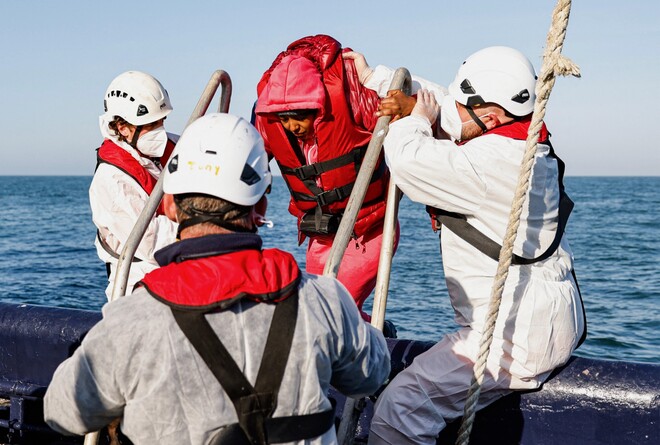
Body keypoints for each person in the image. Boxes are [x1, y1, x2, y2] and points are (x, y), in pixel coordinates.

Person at [44, 113, 391, 445]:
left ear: (169, 205)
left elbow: (62, 412)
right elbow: (370, 375)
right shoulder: (325, 300)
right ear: (260, 208)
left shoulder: (130, 321)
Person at [345, 47, 587, 444]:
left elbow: (408, 162)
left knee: (400, 408)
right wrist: (375, 77)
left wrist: (414, 120)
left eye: (463, 106)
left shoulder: (487, 164)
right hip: (546, 318)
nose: (452, 111)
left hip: (513, 335)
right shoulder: (526, 140)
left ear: (490, 116)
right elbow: (450, 105)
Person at [254, 35, 399, 330]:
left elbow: (403, 116)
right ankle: (378, 334)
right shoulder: (276, 126)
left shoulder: (354, 102)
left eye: (299, 117)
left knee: (336, 305)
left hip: (368, 230)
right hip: (322, 232)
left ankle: (376, 342)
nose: (292, 126)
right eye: (284, 119)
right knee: (316, 307)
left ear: (316, 107)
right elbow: (250, 155)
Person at [90, 70, 179, 300]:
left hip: (183, 267)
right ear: (122, 128)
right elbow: (150, 241)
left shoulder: (175, 146)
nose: (160, 130)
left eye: (161, 121)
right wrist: (204, 228)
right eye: (152, 124)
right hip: (138, 280)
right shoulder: (111, 180)